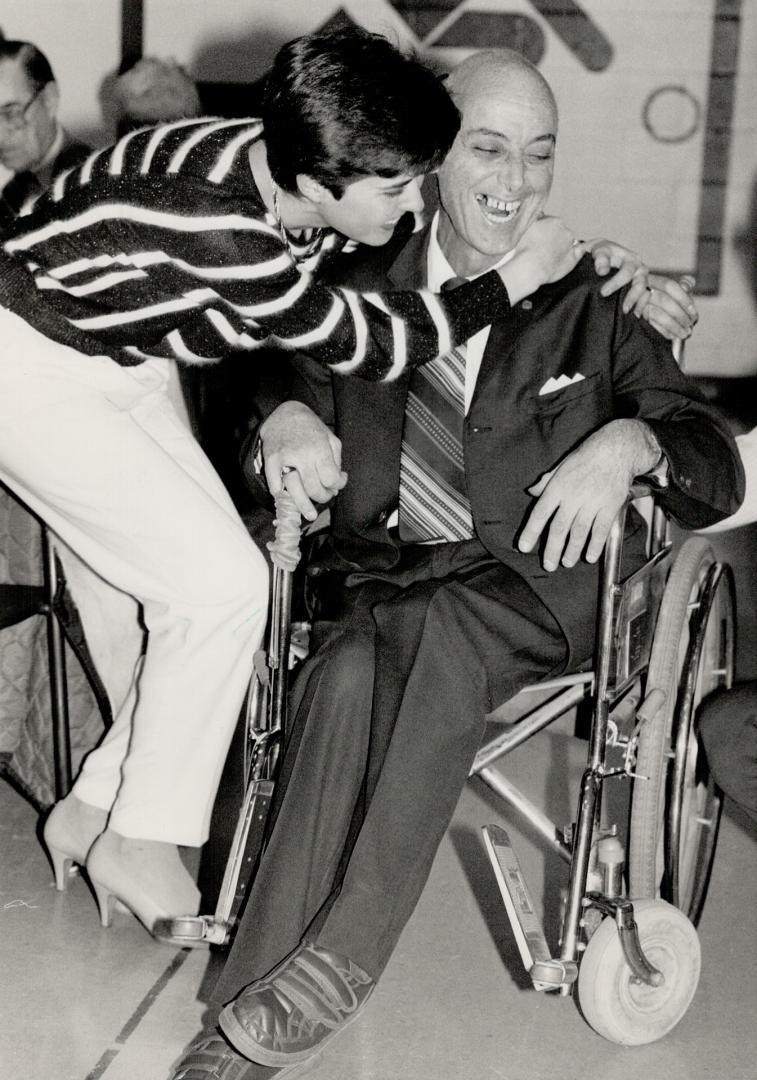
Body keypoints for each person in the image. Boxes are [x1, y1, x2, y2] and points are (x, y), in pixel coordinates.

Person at [167, 47, 742, 1080]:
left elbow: (707, 456)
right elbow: (250, 373)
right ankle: (249, 1015)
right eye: (488, 148)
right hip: (382, 584)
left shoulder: (595, 296)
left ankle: (330, 971)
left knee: (434, 634)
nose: (515, 181)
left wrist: (631, 444)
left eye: (538, 154)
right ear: (432, 161)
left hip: (535, 592)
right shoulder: (347, 283)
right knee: (344, 674)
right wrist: (283, 414)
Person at [0, 25, 617, 942]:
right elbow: (371, 345)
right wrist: (514, 278)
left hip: (111, 353)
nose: (414, 205)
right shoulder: (224, 230)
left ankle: (90, 810)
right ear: (318, 178)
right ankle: (140, 835)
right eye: (396, 186)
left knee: (219, 594)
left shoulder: (268, 159)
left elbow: (319, 286)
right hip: (29, 368)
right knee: (220, 589)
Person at [0, 40, 90, 222]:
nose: (0, 135)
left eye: (12, 113)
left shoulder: (91, 180)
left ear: (49, 99)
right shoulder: (11, 194)